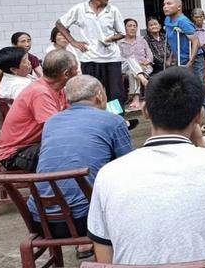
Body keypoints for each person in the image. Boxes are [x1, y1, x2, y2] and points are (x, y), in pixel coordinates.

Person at [87, 67, 205, 267]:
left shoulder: (108, 174)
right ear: (199, 116)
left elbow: (104, 253)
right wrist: (199, 141)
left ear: (145, 111)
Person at [31, 75, 133, 259]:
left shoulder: (52, 122)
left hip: (40, 220)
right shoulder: (113, 121)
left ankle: (85, 245)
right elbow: (128, 167)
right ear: (99, 95)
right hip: (86, 221)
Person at [0, 49, 77, 171]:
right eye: (76, 69)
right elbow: (57, 129)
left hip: (32, 145)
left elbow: (72, 114)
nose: (78, 73)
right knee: (77, 149)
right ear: (66, 74)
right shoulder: (40, 93)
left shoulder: (58, 89)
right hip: (15, 154)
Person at [56, 0, 126, 107]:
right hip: (89, 58)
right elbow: (60, 24)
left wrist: (111, 39)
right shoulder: (80, 9)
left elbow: (122, 33)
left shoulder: (113, 10)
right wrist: (73, 42)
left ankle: (115, 117)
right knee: (91, 93)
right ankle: (94, 116)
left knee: (114, 94)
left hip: (111, 58)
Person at [164, 0, 205, 125]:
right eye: (164, 4)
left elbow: (195, 42)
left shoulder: (183, 21)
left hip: (194, 58)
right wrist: (171, 57)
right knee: (183, 87)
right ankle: (187, 116)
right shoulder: (167, 20)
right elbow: (173, 40)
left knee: (199, 86)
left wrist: (191, 62)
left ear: (179, 7)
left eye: (169, 4)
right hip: (180, 58)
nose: (165, 6)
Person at [117, 18, 153, 111]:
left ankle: (136, 99)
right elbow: (120, 59)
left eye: (134, 26)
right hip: (126, 67)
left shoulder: (142, 40)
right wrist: (134, 62)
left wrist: (147, 61)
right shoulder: (120, 43)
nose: (133, 28)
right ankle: (143, 81)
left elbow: (150, 55)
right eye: (130, 26)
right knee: (130, 59)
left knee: (132, 73)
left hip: (144, 67)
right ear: (124, 28)